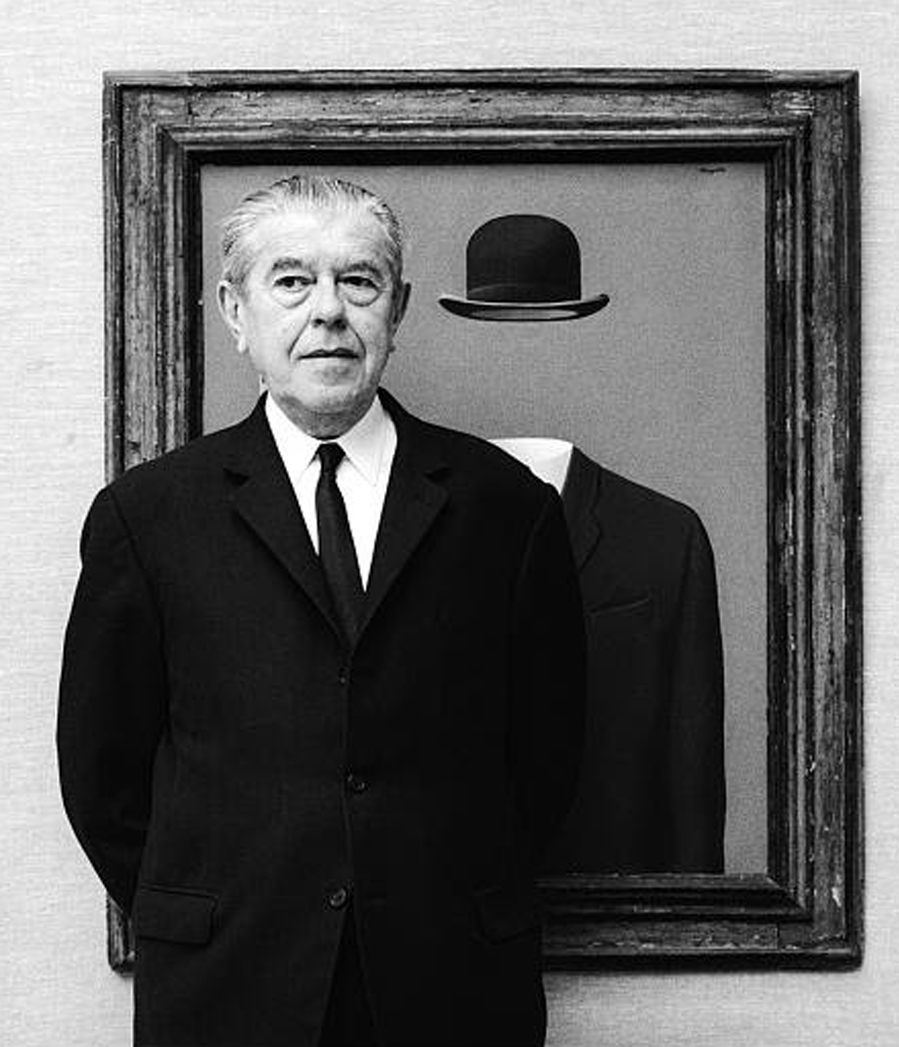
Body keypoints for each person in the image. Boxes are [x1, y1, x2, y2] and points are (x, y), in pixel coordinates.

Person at [57, 175, 586, 1047]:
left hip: (452, 986)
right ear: (236, 311)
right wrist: (211, 910)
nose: (329, 311)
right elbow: (100, 772)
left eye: (359, 281)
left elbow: (546, 756)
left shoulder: (506, 509)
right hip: (225, 990)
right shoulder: (147, 517)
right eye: (293, 281)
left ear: (397, 309)